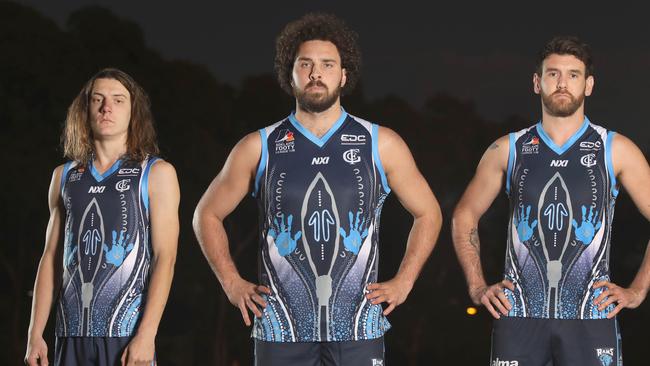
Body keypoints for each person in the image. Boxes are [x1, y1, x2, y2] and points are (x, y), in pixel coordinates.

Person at [193, 13, 442, 366]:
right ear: (289, 74)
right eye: (305, 64)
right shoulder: (258, 146)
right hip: (280, 329)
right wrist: (232, 283)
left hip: (358, 328)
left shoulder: (380, 143)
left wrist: (404, 281)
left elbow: (428, 212)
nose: (315, 73)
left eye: (327, 64)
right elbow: (206, 214)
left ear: (343, 75)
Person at [453, 36, 650, 366]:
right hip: (518, 316)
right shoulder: (509, 148)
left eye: (573, 75)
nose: (562, 83)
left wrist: (637, 291)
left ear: (588, 85)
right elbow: (464, 216)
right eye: (553, 73)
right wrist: (477, 287)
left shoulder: (615, 149)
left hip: (591, 315)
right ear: (536, 82)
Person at [24, 68, 180, 366]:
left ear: (134, 112)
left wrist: (147, 334)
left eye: (118, 100)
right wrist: (35, 333)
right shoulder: (64, 176)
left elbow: (165, 258)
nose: (106, 107)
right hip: (69, 334)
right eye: (98, 99)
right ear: (85, 110)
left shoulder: (157, 173)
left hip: (126, 334)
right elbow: (52, 257)